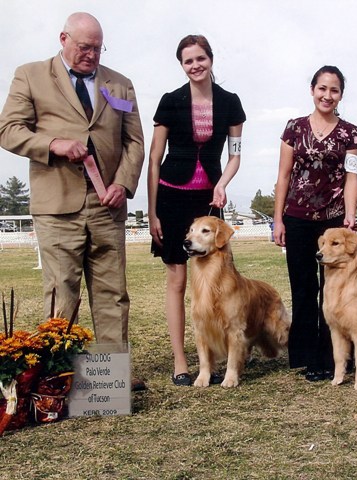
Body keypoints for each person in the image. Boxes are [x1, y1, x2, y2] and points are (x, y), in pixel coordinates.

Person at [0, 12, 145, 388]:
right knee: (61, 292)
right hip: (57, 206)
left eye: (98, 48)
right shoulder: (30, 75)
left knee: (113, 295)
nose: (92, 55)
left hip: (107, 205)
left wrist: (123, 185)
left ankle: (108, 385)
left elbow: (134, 142)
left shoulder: (120, 84)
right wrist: (52, 144)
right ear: (63, 39)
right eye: (84, 47)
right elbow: (8, 129)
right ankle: (57, 380)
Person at [147, 34, 245, 386]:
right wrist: (152, 211)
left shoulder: (230, 102)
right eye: (188, 61)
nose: (195, 65)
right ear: (182, 65)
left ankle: (217, 354)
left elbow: (234, 154)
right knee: (177, 279)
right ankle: (180, 361)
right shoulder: (170, 102)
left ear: (211, 59)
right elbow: (154, 159)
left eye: (201, 58)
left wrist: (223, 184)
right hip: (172, 197)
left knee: (218, 280)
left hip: (209, 200)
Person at [273, 65, 357, 382]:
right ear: (312, 90)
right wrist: (277, 219)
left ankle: (332, 356)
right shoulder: (294, 128)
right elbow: (284, 176)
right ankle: (306, 355)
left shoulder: (350, 132)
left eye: (334, 90)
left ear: (340, 95)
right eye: (322, 88)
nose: (328, 95)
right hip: (296, 219)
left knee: (334, 292)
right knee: (304, 289)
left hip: (333, 222)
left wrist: (349, 215)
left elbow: (351, 177)